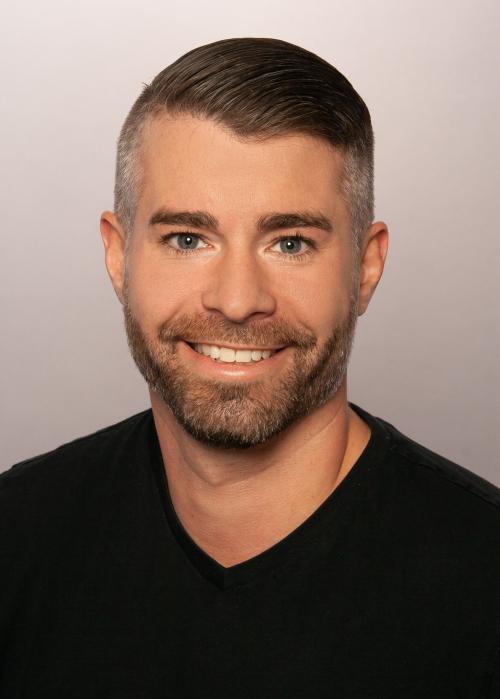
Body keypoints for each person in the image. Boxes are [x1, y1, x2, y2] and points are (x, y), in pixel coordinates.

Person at [1, 37, 498, 698]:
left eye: (290, 242)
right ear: (119, 258)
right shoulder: (16, 534)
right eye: (187, 239)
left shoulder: (483, 581)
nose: (237, 301)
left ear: (365, 267)